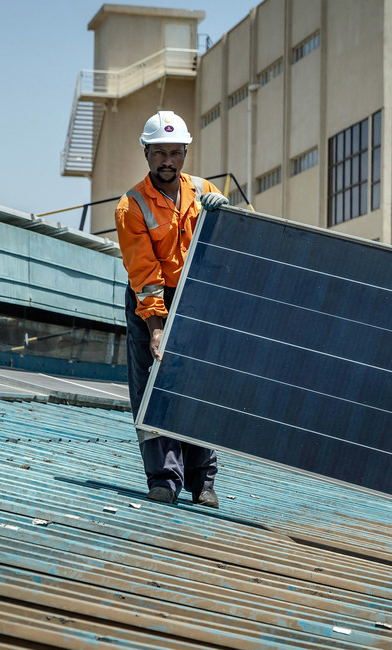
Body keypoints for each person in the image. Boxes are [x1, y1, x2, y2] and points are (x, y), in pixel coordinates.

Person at [114, 110, 230, 508]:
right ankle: (163, 479)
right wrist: (156, 327)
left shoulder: (203, 191)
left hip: (195, 299)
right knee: (152, 389)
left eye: (175, 153)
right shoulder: (131, 207)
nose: (168, 160)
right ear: (146, 153)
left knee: (197, 387)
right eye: (159, 152)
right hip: (152, 301)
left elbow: (228, 250)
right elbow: (145, 274)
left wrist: (227, 217)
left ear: (185, 153)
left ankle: (204, 483)